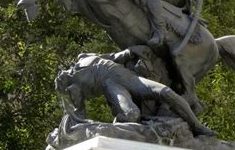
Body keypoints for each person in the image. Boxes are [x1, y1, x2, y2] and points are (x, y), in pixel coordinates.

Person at [54, 49, 217, 137]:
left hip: (129, 77)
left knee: (167, 92)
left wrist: (132, 51)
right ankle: (124, 123)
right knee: (132, 114)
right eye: (60, 80)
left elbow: (114, 56)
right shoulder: (74, 88)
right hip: (111, 84)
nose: (61, 76)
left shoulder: (83, 57)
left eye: (61, 75)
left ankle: (197, 126)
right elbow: (80, 113)